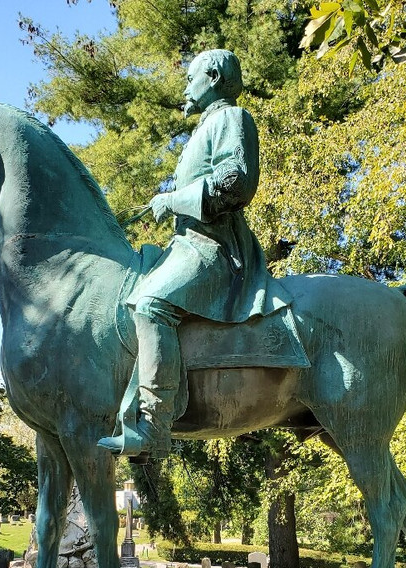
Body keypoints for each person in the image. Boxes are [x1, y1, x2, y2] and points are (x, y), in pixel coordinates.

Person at [98, 49, 282, 461]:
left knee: (148, 305)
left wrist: (175, 199)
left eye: (191, 75)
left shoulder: (231, 119)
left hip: (215, 248)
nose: (185, 84)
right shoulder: (204, 128)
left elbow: (236, 182)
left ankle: (154, 425)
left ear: (213, 75)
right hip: (188, 244)